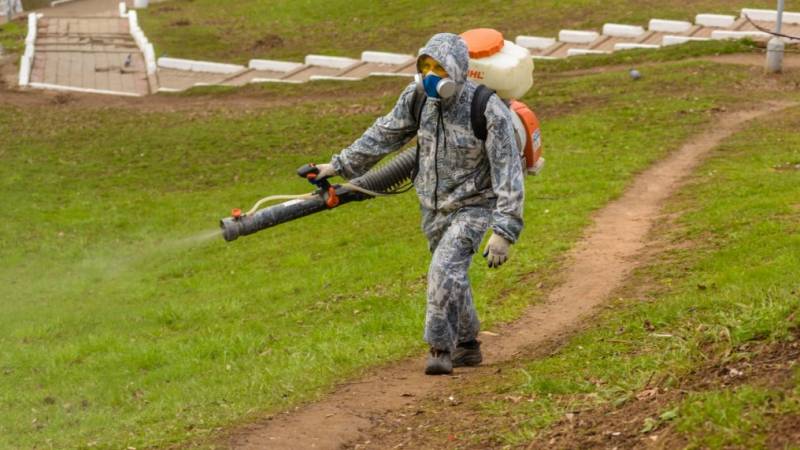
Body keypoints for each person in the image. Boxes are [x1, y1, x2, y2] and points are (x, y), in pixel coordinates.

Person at [315, 33, 524, 375]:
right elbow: (383, 135)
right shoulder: (417, 99)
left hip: (474, 206)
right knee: (452, 275)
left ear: (458, 70)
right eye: (425, 65)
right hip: (432, 206)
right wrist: (337, 165)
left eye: (438, 67)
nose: (430, 74)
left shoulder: (486, 108)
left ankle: (440, 349)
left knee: (442, 270)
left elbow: (509, 172)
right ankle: (468, 345)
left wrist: (505, 230)